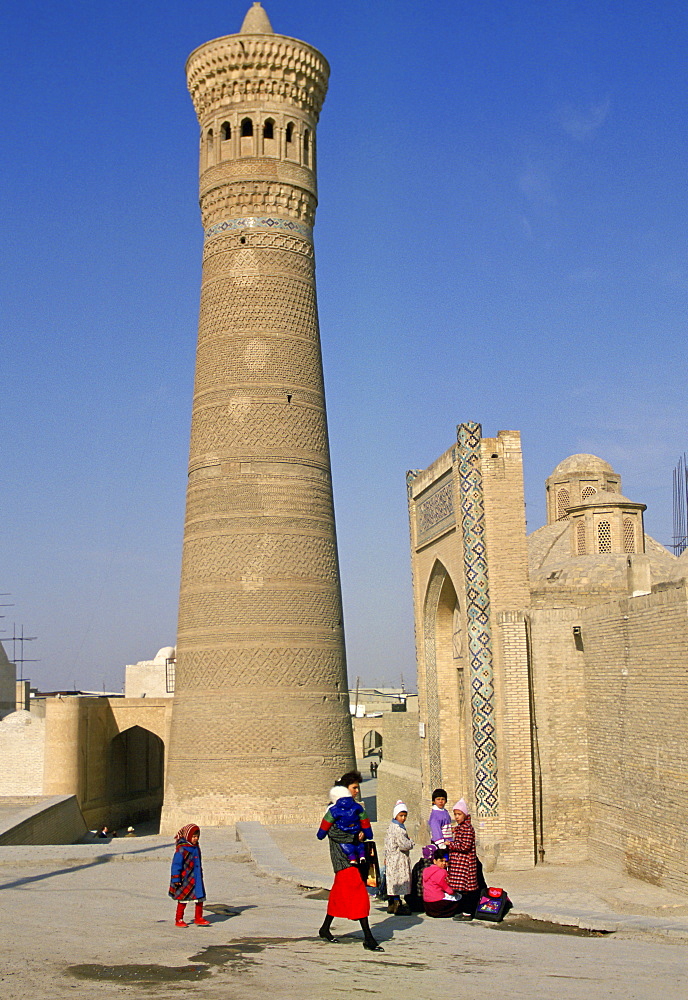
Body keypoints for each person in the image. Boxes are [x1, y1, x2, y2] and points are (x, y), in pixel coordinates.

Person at [317, 770, 384, 952]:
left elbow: (363, 825)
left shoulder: (353, 808)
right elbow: (332, 833)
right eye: (354, 788)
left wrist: (362, 834)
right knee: (359, 894)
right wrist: (355, 837)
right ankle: (368, 937)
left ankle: (325, 928)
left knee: (338, 895)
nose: (357, 791)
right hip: (344, 859)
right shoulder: (333, 811)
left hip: (353, 857)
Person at [317, 783, 372, 866]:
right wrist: (368, 834)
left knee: (347, 848)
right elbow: (365, 821)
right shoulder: (358, 807)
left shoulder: (333, 810)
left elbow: (325, 824)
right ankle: (361, 856)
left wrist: (320, 835)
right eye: (354, 788)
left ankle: (353, 858)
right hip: (356, 831)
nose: (357, 791)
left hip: (342, 856)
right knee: (359, 846)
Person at [169, 823, 210, 927]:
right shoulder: (182, 849)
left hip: (196, 877)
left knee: (200, 898)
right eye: (193, 836)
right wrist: (176, 878)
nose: (195, 839)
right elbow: (176, 864)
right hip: (185, 879)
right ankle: (179, 919)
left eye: (197, 837)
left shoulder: (196, 847)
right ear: (187, 836)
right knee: (183, 900)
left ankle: (199, 917)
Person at [446, 798, 480, 917]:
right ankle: (462, 911)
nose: (457, 817)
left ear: (465, 814)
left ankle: (468, 912)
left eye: (459, 814)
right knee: (461, 890)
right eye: (455, 814)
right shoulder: (461, 827)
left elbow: (465, 846)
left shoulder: (467, 828)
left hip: (466, 865)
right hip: (460, 865)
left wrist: (451, 844)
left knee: (467, 890)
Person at [383, 801, 414, 915]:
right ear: (395, 815)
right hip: (398, 860)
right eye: (401, 815)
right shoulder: (399, 829)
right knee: (399, 881)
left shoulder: (391, 827)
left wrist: (385, 856)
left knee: (393, 882)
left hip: (392, 858)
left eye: (405, 816)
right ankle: (397, 904)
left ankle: (392, 903)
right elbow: (404, 845)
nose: (403, 818)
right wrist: (411, 842)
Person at [422, 849, 462, 917]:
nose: (444, 863)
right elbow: (448, 889)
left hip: (427, 904)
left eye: (446, 861)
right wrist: (454, 893)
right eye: (441, 861)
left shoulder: (426, 870)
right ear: (434, 861)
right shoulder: (442, 872)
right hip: (437, 904)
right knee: (459, 898)